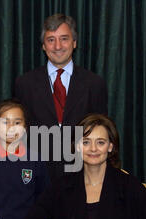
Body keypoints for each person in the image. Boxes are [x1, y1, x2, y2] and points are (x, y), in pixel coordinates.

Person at [14, 13, 108, 181]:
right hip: (36, 177)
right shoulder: (24, 84)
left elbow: (102, 133)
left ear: (74, 42)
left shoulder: (94, 84)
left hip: (82, 176)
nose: (57, 46)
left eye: (64, 39)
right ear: (43, 45)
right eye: (51, 40)